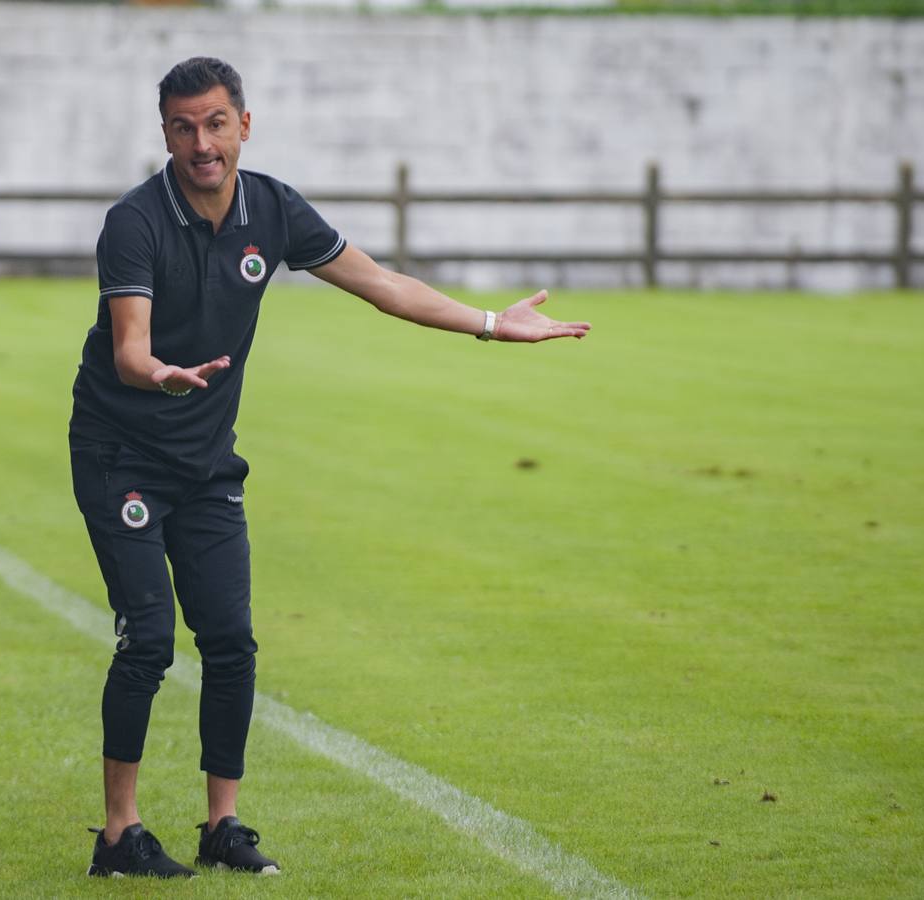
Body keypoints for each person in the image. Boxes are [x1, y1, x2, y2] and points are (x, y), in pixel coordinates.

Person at [68, 56, 591, 879]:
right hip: (120, 453)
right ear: (163, 132)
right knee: (149, 640)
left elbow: (382, 284)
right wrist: (161, 372)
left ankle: (223, 827)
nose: (200, 142)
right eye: (182, 126)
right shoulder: (134, 222)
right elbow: (130, 350)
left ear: (245, 123)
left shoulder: (271, 208)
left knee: (232, 642)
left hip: (204, 462)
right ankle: (118, 835)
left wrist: (491, 323)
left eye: (214, 123)